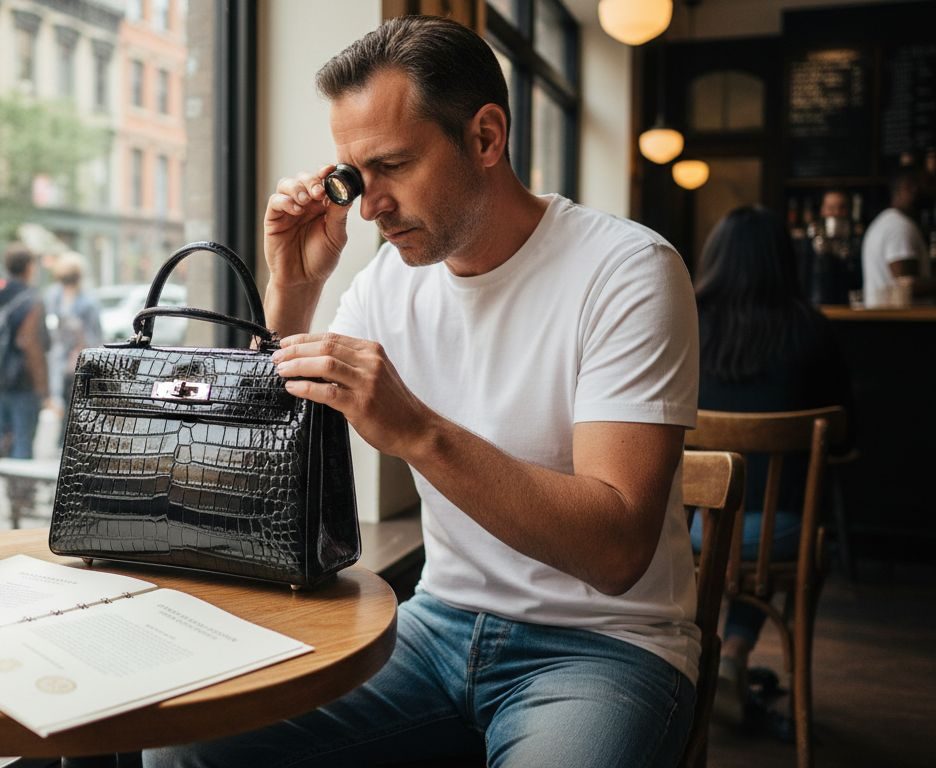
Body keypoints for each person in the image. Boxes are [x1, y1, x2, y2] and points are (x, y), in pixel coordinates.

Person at [146, 16, 700, 767]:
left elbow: (616, 551)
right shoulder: (384, 285)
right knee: (185, 750)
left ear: (485, 138)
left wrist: (414, 430)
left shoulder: (628, 270)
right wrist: (293, 291)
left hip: (602, 648)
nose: (370, 205)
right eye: (354, 176)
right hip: (433, 628)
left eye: (394, 166)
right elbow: (253, 470)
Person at [689, 206, 852, 727]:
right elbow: (847, 439)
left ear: (715, 258)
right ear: (784, 261)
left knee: (722, 528)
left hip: (686, 528)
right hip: (782, 536)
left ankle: (698, 657)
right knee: (771, 518)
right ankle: (734, 654)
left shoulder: (685, 320)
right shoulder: (813, 331)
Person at [0, 243, 51, 463]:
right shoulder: (31, 300)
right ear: (29, 267)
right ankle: (21, 496)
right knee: (22, 442)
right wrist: (43, 389)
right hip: (22, 381)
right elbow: (33, 347)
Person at [43, 252, 103, 424]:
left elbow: (94, 338)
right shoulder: (54, 296)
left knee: (74, 409)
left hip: (74, 361)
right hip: (64, 360)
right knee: (67, 408)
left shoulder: (86, 302)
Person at [861, 169, 932, 307]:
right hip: (898, 323)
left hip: (885, 321)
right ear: (908, 187)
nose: (934, 191)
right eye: (928, 184)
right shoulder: (899, 226)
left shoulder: (887, 222)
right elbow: (907, 284)